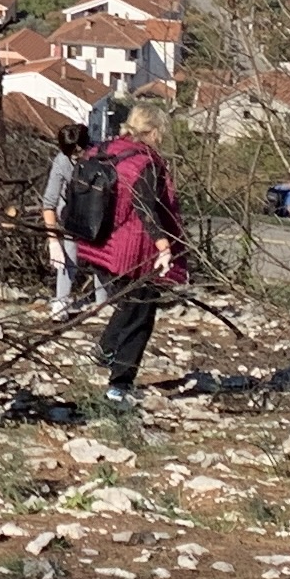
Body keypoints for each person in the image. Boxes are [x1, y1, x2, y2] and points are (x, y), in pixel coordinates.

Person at [68, 102, 188, 403]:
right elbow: (145, 205)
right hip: (133, 250)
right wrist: (164, 246)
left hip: (97, 245)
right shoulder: (144, 162)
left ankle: (106, 350)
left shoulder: (103, 150)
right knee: (141, 316)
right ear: (154, 131)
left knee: (127, 305)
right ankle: (119, 385)